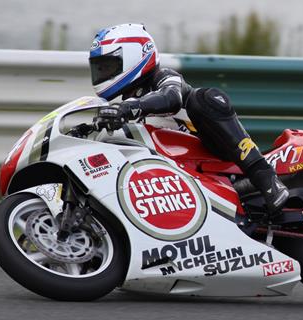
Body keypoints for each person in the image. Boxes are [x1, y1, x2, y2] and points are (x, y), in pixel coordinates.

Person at [89, 23, 289, 215]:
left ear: (135, 57)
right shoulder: (123, 106)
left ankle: (265, 176)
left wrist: (129, 108)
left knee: (205, 98)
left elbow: (171, 97)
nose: (103, 72)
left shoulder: (164, 78)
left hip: (215, 157)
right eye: (100, 68)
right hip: (177, 175)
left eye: (108, 66)